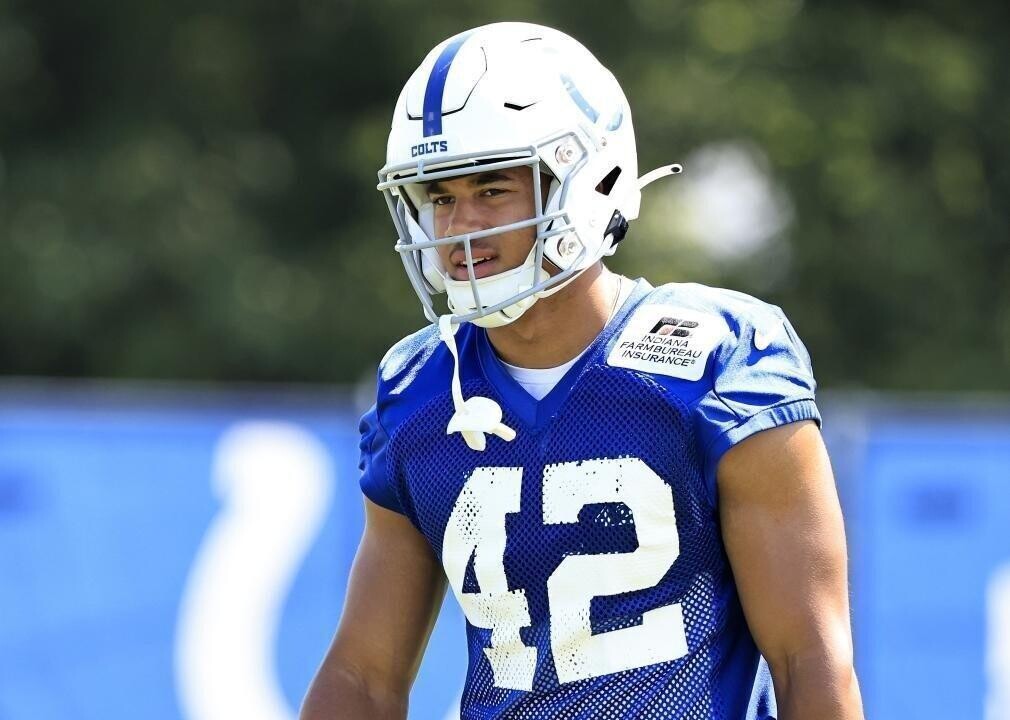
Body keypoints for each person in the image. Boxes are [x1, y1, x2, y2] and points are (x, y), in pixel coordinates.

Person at [301, 21, 863, 720]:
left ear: (585, 179)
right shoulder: (421, 391)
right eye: (440, 197)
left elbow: (809, 657)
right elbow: (363, 675)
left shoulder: (718, 361)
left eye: (491, 190)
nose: (457, 228)